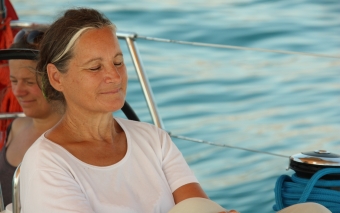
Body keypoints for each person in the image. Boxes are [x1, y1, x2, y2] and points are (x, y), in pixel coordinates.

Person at [19, 8, 331, 213]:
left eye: (117, 62)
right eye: (94, 67)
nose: (113, 76)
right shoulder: (47, 163)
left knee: (314, 210)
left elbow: (199, 206)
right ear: (57, 77)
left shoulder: (153, 139)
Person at [0, 28, 62, 207]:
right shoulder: (16, 126)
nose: (18, 91)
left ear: (57, 80)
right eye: (13, 81)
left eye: (29, 82)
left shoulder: (75, 140)